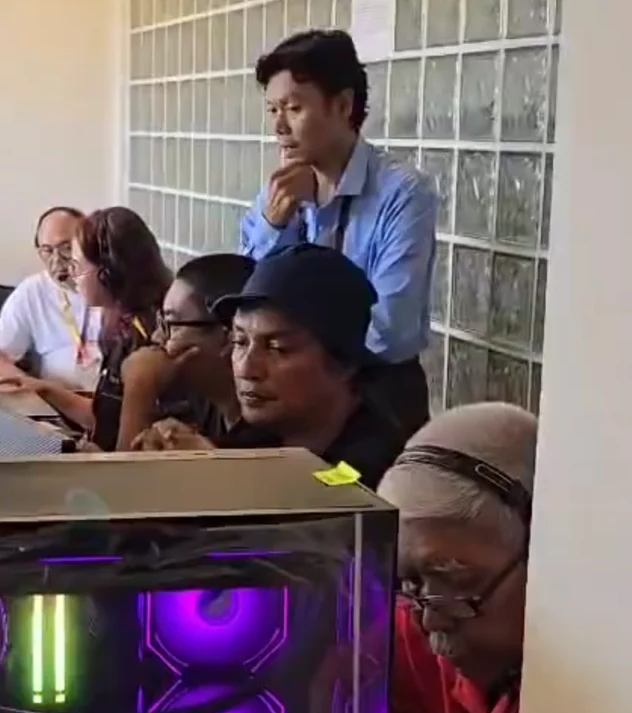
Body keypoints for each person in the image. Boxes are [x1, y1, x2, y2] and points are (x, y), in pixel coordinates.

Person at [242, 30, 438, 439]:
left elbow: (393, 329)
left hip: (376, 392)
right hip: (292, 388)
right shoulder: (280, 190)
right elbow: (248, 304)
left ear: (344, 106)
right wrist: (275, 224)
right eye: (272, 109)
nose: (279, 126)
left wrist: (309, 357)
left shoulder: (402, 192)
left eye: (294, 108)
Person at [377, 402, 536, 713]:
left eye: (454, 580)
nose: (431, 622)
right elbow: (324, 661)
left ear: (541, 553)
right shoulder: (444, 619)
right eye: (412, 582)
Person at [135, 244, 405, 488]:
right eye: (240, 341)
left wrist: (214, 469)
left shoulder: (380, 464)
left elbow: (326, 502)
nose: (247, 368)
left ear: (344, 363)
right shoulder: (259, 432)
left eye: (277, 348)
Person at [0, 207, 172, 451]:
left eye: (77, 264)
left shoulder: (146, 343)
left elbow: (127, 458)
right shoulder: (119, 327)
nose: (71, 274)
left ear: (106, 272)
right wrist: (44, 389)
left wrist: (82, 452)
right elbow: (105, 420)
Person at [108, 254, 255, 451]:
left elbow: (125, 472)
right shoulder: (201, 401)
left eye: (172, 324)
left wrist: (139, 388)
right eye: (161, 322)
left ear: (229, 338)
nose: (157, 337)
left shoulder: (263, 430)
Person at [0, 206, 106, 390]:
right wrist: (28, 384)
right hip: (57, 399)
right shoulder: (33, 291)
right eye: (47, 251)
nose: (57, 260)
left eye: (66, 248)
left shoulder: (112, 285)